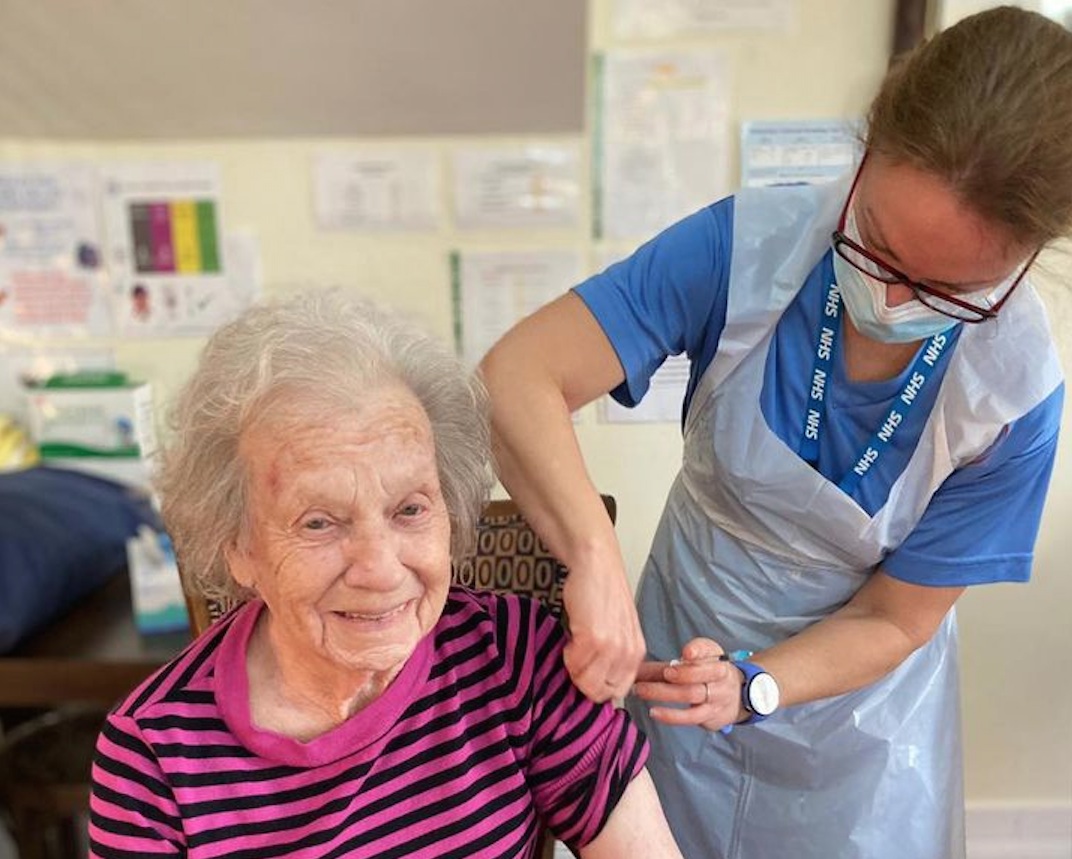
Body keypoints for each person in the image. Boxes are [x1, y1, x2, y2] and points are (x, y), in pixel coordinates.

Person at [479, 8, 1072, 858]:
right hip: (683, 644)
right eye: (876, 246)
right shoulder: (745, 248)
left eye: (945, 290)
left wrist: (758, 682)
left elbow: (898, 618)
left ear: (1019, 263)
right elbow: (518, 376)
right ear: (867, 154)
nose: (894, 301)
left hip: (864, 724)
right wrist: (594, 560)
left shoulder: (1013, 394)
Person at [88, 290, 684, 859]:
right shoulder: (152, 756)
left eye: (409, 510)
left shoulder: (514, 659)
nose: (378, 569)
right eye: (319, 522)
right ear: (238, 547)